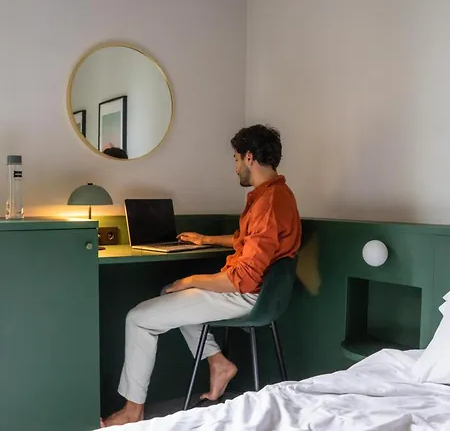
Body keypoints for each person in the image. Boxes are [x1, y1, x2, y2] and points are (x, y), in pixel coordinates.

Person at [102, 124, 302, 427]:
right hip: (259, 293)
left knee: (138, 319)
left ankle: (132, 411)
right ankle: (218, 362)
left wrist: (191, 280)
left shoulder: (269, 203)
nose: (235, 168)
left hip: (248, 295)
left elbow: (243, 279)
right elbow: (249, 242)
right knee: (170, 292)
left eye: (236, 159)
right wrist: (205, 239)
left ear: (249, 157)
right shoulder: (276, 195)